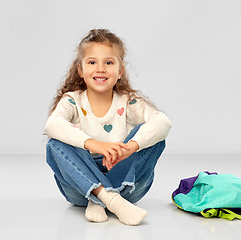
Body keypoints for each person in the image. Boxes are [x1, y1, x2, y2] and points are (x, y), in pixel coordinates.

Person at [44, 29, 171, 226]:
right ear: (80, 69)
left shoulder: (128, 102)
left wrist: (131, 147)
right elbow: (52, 124)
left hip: (127, 184)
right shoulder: (73, 100)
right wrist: (94, 144)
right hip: (80, 188)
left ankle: (102, 197)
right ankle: (107, 198)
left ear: (120, 71)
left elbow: (163, 122)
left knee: (153, 135)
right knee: (55, 144)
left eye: (109, 63)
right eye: (92, 62)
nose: (100, 69)